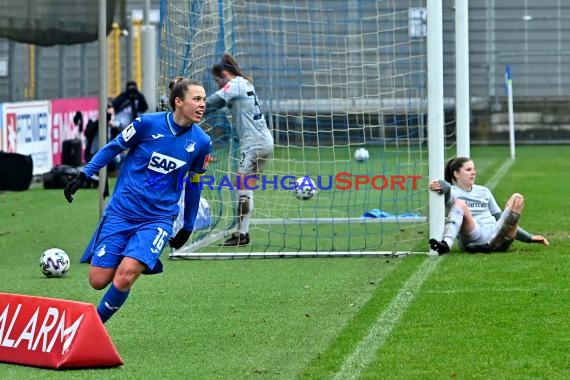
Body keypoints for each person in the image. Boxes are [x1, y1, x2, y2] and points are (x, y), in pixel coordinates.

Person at [64, 78, 212, 323]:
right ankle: (128, 253)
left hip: (157, 219)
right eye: (197, 99)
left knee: (125, 276)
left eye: (204, 100)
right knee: (98, 280)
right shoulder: (146, 124)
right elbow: (113, 147)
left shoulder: (202, 143)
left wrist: (187, 225)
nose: (202, 104)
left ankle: (92, 327)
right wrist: (84, 173)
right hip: (121, 212)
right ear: (178, 101)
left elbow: (194, 181)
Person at [203, 53, 274, 247]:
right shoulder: (244, 83)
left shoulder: (234, 85)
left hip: (253, 144)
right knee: (246, 187)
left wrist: (190, 106)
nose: (218, 84)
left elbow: (212, 103)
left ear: (225, 74)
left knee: (242, 187)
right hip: (265, 141)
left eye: (217, 80)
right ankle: (242, 232)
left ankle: (242, 234)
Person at [428, 157, 549, 255]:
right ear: (456, 174)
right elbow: (446, 188)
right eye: (469, 169)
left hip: (497, 233)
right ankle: (446, 244)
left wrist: (529, 238)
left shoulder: (484, 191)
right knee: (460, 204)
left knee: (517, 198)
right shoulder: (453, 192)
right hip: (475, 235)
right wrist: (441, 185)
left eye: (474, 169)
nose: (474, 172)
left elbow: (501, 217)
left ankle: (491, 244)